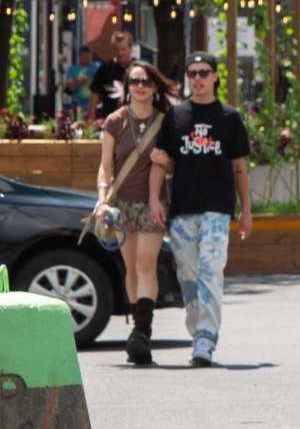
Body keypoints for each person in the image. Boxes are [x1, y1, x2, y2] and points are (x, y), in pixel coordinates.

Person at [148, 52, 252, 367]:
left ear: (215, 77)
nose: (197, 78)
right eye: (192, 73)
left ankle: (206, 338)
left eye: (204, 72)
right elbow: (158, 159)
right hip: (182, 209)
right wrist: (154, 198)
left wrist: (246, 210)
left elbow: (240, 167)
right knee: (188, 275)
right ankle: (198, 331)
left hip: (218, 209)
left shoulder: (230, 118)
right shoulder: (176, 116)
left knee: (211, 270)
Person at [96, 61, 177, 365]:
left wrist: (165, 162)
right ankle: (137, 326)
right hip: (121, 204)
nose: (140, 86)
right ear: (127, 86)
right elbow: (105, 165)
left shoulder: (165, 121)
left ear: (155, 87)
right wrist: (102, 199)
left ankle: (142, 331)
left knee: (146, 265)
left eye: (145, 82)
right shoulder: (115, 121)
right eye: (134, 81)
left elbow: (173, 162)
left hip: (152, 202)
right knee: (130, 267)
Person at [88, 31, 135, 122]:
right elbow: (95, 94)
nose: (120, 53)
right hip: (110, 121)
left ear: (130, 49)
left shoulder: (138, 69)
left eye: (123, 49)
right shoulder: (105, 68)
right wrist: (90, 118)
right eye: (117, 49)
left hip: (134, 121)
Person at [65, 45, 99, 116]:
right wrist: (76, 81)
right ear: (80, 57)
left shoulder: (97, 67)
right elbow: (68, 88)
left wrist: (91, 81)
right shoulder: (73, 69)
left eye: (89, 58)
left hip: (94, 106)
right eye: (85, 58)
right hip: (77, 106)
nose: (88, 60)